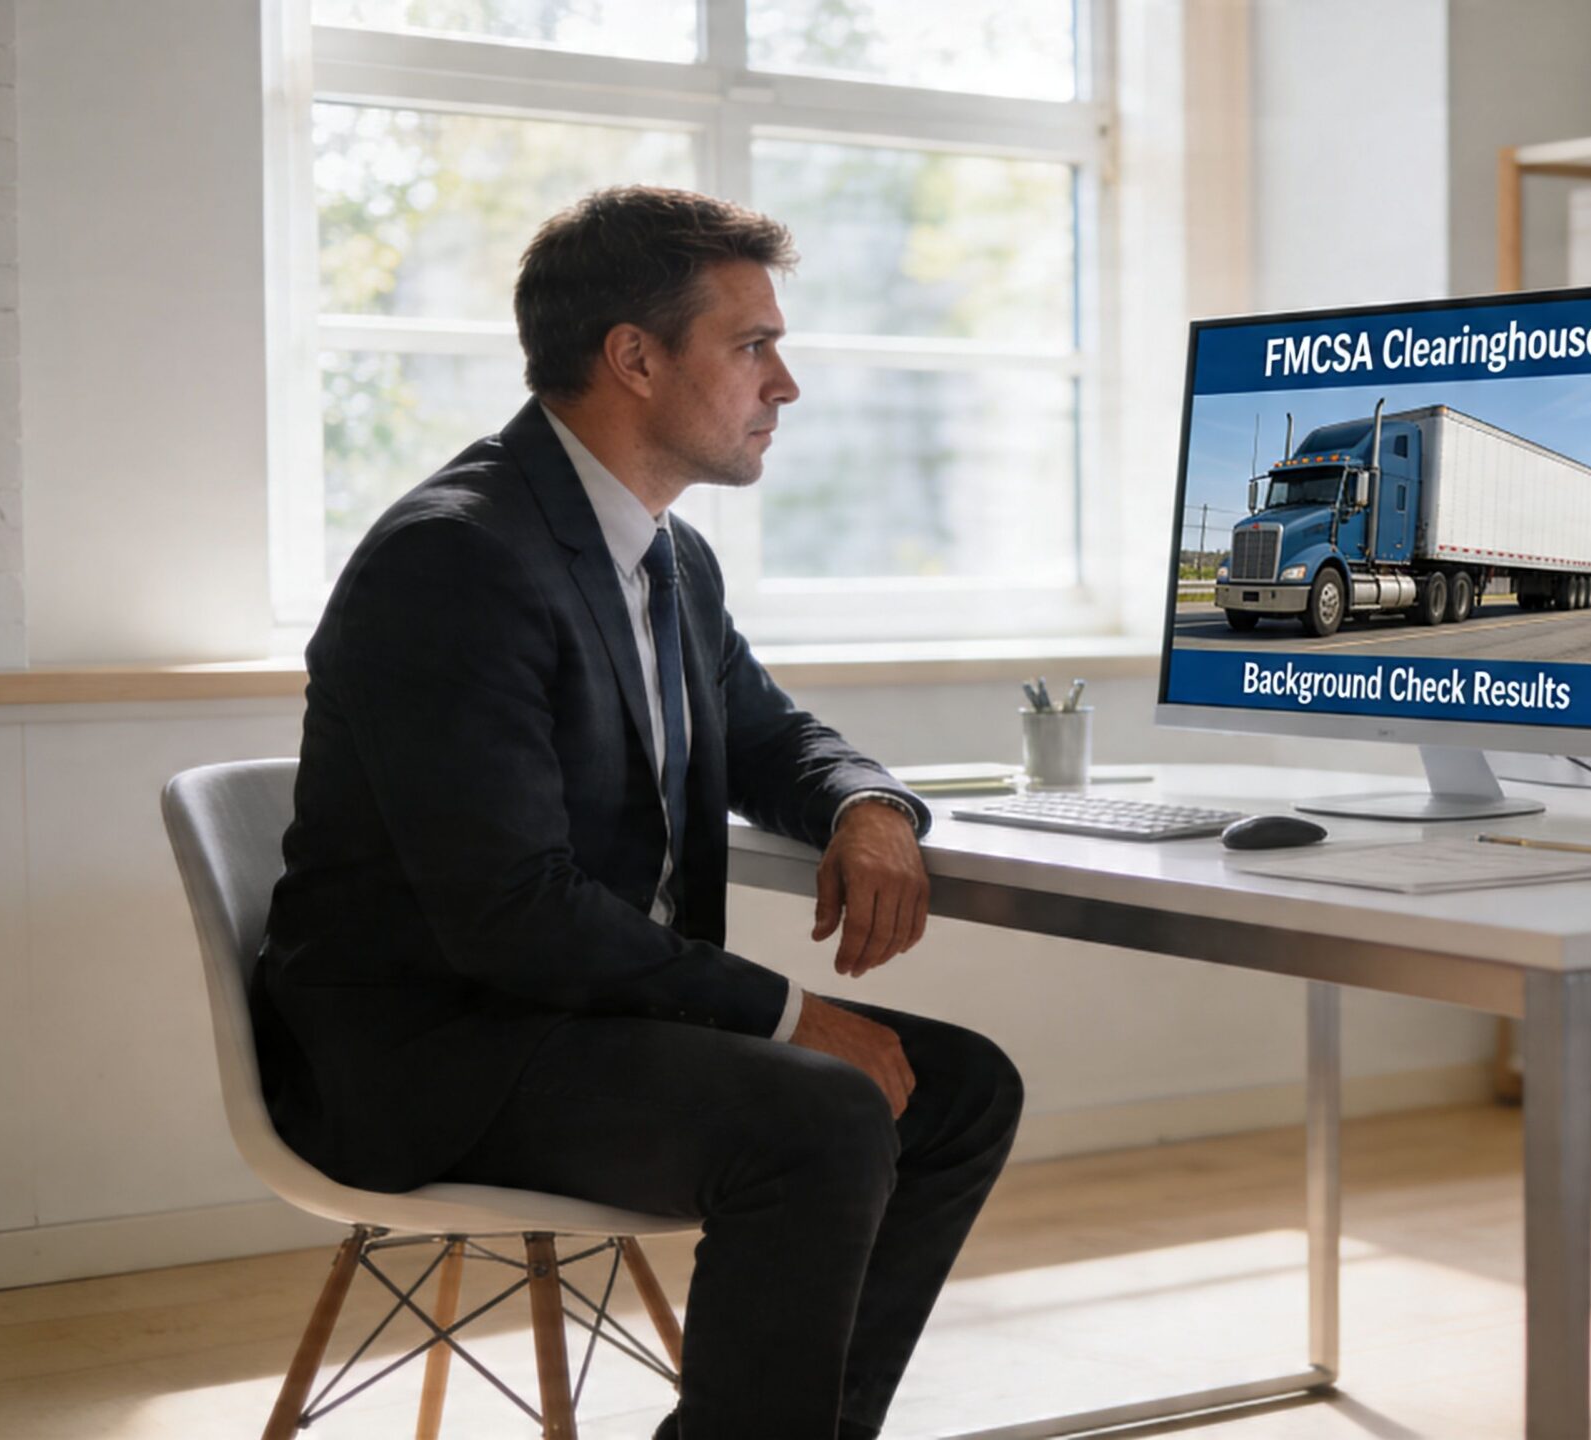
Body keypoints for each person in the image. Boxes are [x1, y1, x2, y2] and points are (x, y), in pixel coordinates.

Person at [252, 184, 1024, 1440]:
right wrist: (786, 1012)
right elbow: (511, 912)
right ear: (634, 358)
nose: (786, 384)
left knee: (960, 1090)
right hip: (438, 1051)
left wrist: (872, 806)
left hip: (576, 1022)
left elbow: (773, 735)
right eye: (753, 345)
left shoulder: (665, 553)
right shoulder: (455, 559)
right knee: (822, 1110)